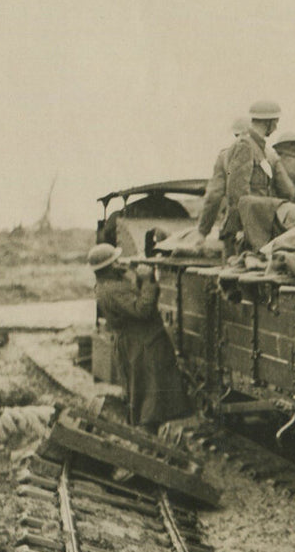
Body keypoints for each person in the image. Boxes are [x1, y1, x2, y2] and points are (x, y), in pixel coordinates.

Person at [90, 243, 192, 430]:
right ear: (109, 267)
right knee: (151, 396)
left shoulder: (104, 286)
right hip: (142, 345)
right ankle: (149, 438)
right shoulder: (113, 289)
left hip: (135, 344)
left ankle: (150, 436)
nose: (120, 264)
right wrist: (148, 281)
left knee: (145, 393)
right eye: (116, 262)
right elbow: (142, 309)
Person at [223, 100, 295, 251]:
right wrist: (242, 228)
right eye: (275, 121)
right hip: (246, 229)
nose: (276, 127)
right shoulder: (245, 146)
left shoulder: (260, 149)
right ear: (268, 122)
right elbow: (237, 191)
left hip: (258, 225)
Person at [198, 116, 249, 241]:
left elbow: (214, 195)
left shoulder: (225, 156)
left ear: (235, 133)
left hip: (236, 226)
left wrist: (202, 231)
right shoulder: (269, 155)